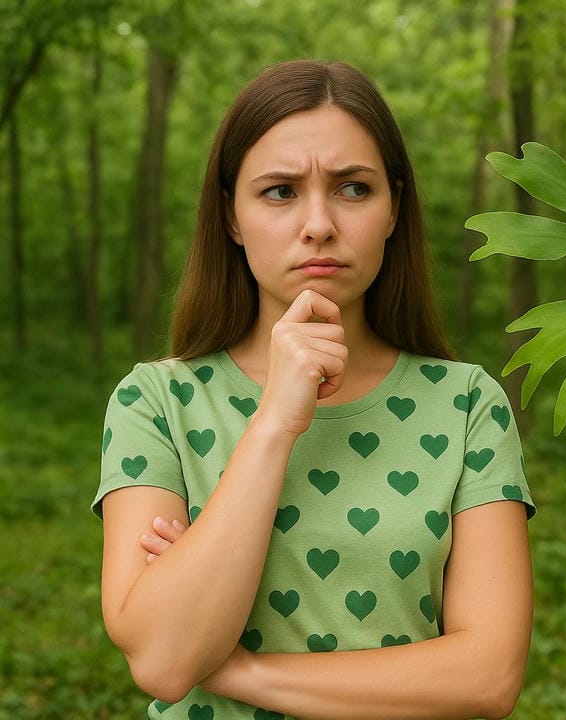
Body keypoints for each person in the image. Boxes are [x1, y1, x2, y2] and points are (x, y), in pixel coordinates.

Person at [92, 59, 536, 720]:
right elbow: (162, 660)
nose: (319, 223)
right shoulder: (155, 402)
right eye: (280, 191)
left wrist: (238, 670)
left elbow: (487, 677)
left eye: (354, 188)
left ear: (393, 208)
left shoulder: (467, 405)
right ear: (232, 216)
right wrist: (275, 420)